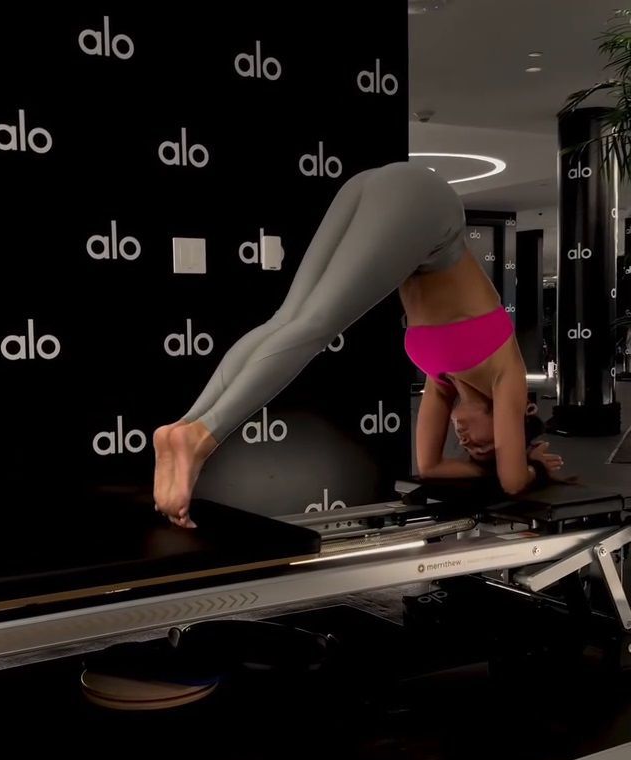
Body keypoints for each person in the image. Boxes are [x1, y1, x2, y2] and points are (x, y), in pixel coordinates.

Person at [153, 161, 563, 526]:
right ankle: (201, 437)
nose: (471, 443)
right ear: (515, 415)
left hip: (375, 187)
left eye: (475, 451)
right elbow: (512, 480)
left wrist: (484, 468)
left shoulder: (442, 381)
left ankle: (185, 427)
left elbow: (431, 467)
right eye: (490, 443)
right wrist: (533, 467)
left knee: (286, 321)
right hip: (428, 206)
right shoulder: (507, 375)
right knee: (313, 326)